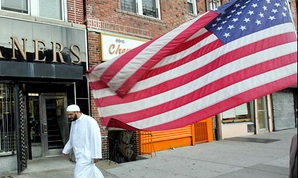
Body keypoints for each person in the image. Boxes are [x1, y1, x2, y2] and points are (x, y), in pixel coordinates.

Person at [62, 104, 104, 178]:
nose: (69, 117)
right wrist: (66, 150)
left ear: (77, 112)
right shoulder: (73, 123)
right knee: (93, 173)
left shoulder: (89, 121)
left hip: (87, 155)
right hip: (78, 154)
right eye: (68, 115)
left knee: (78, 175)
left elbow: (96, 138)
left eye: (70, 114)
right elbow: (72, 139)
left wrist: (96, 155)